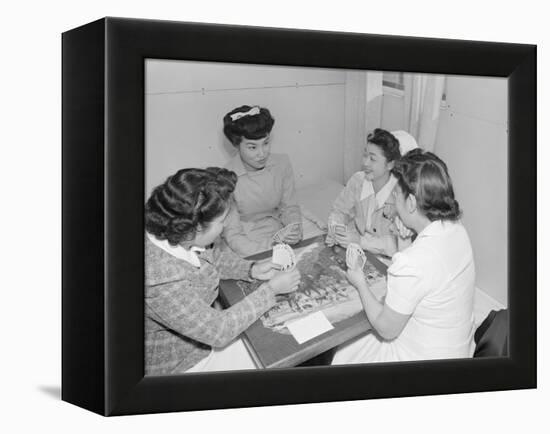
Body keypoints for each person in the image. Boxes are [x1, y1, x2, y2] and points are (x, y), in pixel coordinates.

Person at [145, 167, 301, 375]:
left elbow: (212, 257)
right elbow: (219, 330)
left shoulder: (181, 232)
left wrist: (251, 269)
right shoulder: (159, 279)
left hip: (202, 333)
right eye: (221, 221)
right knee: (278, 351)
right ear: (196, 228)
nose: (226, 225)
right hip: (180, 362)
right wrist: (271, 290)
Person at [332, 149, 476, 364]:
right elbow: (420, 281)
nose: (394, 201)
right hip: (457, 349)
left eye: (396, 195)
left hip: (422, 362)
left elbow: (386, 329)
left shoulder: (412, 262)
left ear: (410, 203)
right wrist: (404, 240)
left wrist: (360, 283)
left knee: (344, 350)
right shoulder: (457, 229)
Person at [220, 105, 302, 257]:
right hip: (244, 242)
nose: (262, 153)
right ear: (236, 145)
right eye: (252, 147)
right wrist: (271, 246)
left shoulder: (282, 164)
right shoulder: (225, 179)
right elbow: (233, 233)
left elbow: (289, 206)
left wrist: (294, 228)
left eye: (266, 143)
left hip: (277, 229)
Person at [327, 128, 415, 257]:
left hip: (387, 259)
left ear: (390, 165)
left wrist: (360, 241)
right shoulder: (358, 180)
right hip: (356, 250)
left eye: (372, 159)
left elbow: (398, 244)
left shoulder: (401, 195)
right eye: (365, 155)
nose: (365, 163)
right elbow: (339, 211)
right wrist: (335, 228)